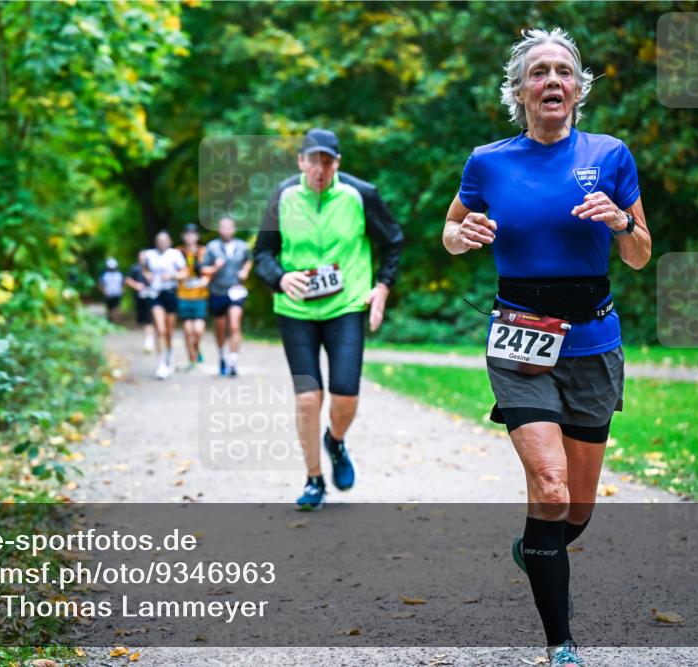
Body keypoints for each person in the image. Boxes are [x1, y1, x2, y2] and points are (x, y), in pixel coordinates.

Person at [442, 28, 651, 667]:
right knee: (552, 489)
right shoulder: (489, 162)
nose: (552, 81)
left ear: (579, 88)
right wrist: (462, 234)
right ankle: (561, 643)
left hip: (593, 341)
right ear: (520, 91)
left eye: (564, 71)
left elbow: (641, 254)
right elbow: (450, 231)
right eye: (539, 73)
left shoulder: (611, 154)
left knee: (574, 512)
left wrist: (622, 223)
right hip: (521, 340)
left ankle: (536, 548)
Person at [253, 128, 404, 511]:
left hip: (346, 306)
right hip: (295, 311)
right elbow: (262, 255)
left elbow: (393, 241)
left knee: (345, 395)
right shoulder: (282, 197)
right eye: (313, 160)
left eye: (328, 161)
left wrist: (382, 288)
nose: (320, 168)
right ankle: (314, 479)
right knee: (307, 399)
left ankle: (335, 440)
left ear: (338, 163)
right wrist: (281, 277)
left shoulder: (360, 195)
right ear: (300, 161)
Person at [202, 216, 252, 377]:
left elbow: (249, 261)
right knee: (220, 327)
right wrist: (214, 268)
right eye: (223, 227)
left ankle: (233, 360)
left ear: (234, 229)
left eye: (229, 227)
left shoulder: (242, 247)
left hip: (236, 290)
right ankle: (221, 354)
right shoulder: (212, 247)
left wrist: (245, 271)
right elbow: (203, 269)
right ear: (219, 229)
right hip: (218, 291)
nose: (226, 230)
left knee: (235, 325)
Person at [143, 231, 187, 380]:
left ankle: (169, 357)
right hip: (155, 294)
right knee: (160, 329)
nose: (162, 243)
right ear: (156, 242)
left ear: (170, 241)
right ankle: (161, 363)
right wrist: (148, 276)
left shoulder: (175, 254)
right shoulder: (149, 255)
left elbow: (185, 272)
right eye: (159, 240)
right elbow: (144, 269)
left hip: (170, 293)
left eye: (164, 240)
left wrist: (173, 276)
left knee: (168, 330)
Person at [176, 223, 210, 371]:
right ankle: (191, 360)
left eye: (193, 234)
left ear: (197, 236)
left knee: (197, 330)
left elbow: (210, 270)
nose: (190, 237)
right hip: (183, 295)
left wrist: (206, 279)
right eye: (187, 234)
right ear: (183, 236)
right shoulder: (177, 252)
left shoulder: (204, 251)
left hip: (200, 296)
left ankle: (196, 348)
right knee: (187, 330)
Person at [124, 251, 156, 353]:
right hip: (140, 298)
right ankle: (149, 339)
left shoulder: (154, 267)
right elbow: (128, 279)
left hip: (154, 298)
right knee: (146, 320)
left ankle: (150, 340)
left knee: (150, 319)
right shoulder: (135, 268)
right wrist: (136, 285)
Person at [98, 258, 124, 323]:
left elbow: (123, 283)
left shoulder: (119, 274)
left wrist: (122, 290)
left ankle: (116, 321)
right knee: (109, 308)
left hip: (117, 293)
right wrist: (103, 291)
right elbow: (100, 284)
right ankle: (110, 320)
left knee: (116, 308)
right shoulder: (105, 275)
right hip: (109, 294)